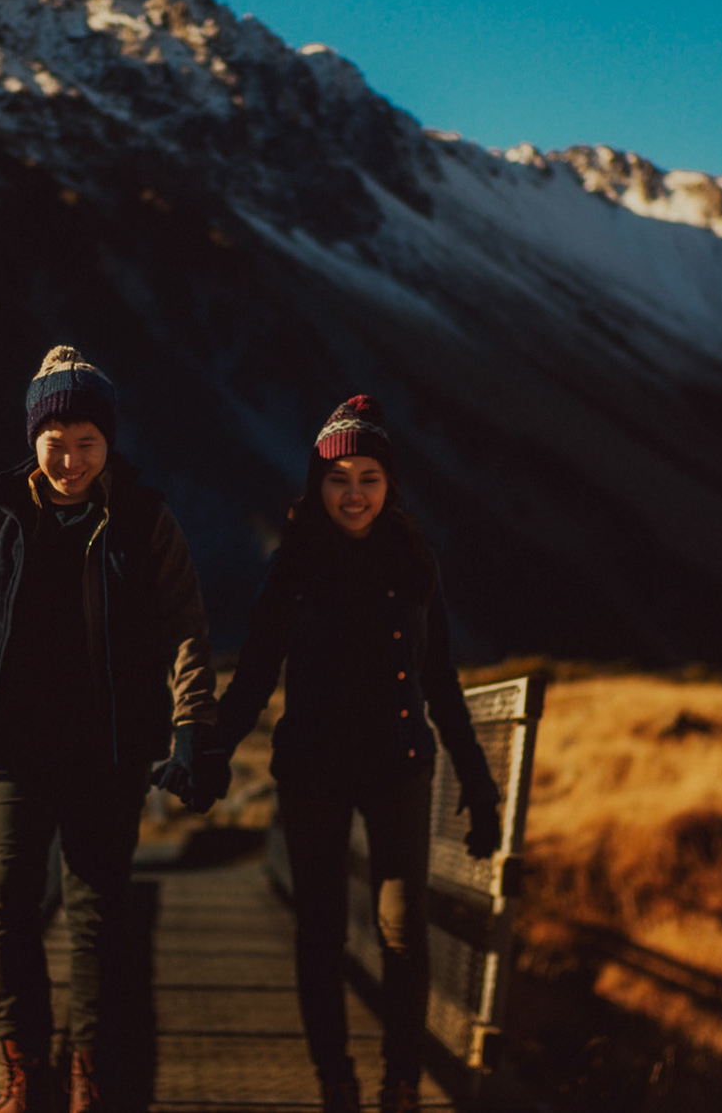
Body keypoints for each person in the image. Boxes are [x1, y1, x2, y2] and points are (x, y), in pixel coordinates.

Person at [0, 345, 224, 1113]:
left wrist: (191, 721)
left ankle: (89, 1065)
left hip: (106, 749)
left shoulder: (145, 519)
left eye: (88, 439)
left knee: (97, 907)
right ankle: (26, 1069)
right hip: (11, 748)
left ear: (108, 441)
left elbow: (186, 626)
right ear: (34, 437)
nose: (71, 456)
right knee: (3, 899)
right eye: (56, 439)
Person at [209, 394, 503, 1113]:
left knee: (402, 932)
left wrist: (477, 779)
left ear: (388, 485)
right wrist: (210, 752)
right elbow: (255, 670)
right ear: (318, 484)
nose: (354, 492)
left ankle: (401, 1085)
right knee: (321, 932)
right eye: (340, 478)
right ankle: (335, 1079)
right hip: (313, 769)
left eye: (368, 477)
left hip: (399, 766)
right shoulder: (294, 566)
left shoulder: (413, 559)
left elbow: (440, 681)